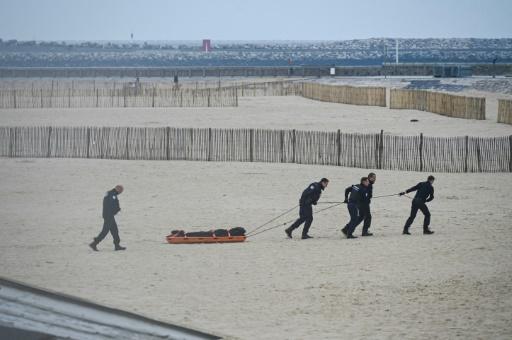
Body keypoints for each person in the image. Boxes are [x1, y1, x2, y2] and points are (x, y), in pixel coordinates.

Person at [89, 185, 126, 251]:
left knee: (115, 231)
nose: (121, 192)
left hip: (109, 215)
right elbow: (110, 205)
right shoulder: (112, 195)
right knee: (105, 231)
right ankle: (94, 243)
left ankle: (117, 245)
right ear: (118, 189)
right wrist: (116, 209)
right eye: (121, 191)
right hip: (109, 215)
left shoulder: (110, 193)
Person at [361, 172, 376, 236]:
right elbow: (364, 192)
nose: (375, 179)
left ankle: (346, 229)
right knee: (368, 217)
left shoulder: (369, 184)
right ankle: (365, 231)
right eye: (374, 178)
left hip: (364, 202)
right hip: (364, 203)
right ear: (369, 178)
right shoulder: (368, 184)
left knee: (361, 217)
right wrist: (367, 198)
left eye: (375, 178)